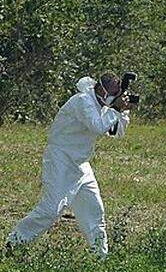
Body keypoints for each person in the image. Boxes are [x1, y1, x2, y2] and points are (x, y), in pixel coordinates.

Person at [7, 75, 132, 257]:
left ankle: (100, 257)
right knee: (51, 209)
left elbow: (115, 132)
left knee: (94, 212)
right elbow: (97, 126)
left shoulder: (104, 107)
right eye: (113, 92)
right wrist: (116, 108)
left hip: (82, 164)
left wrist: (123, 111)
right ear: (101, 89)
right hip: (60, 159)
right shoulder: (82, 101)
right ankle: (15, 243)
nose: (115, 96)